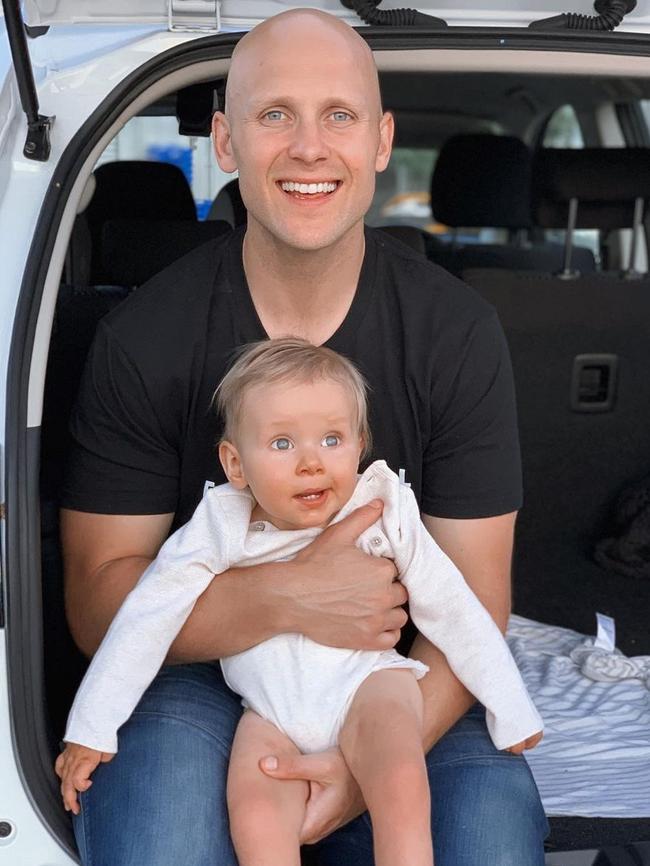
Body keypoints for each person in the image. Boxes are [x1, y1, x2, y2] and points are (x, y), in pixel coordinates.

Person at [59, 8, 549, 865]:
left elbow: (473, 605)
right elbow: (99, 606)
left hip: (397, 673)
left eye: (340, 115)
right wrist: (288, 595)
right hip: (198, 676)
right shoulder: (145, 336)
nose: (309, 147)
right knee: (161, 841)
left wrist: (364, 771)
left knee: (487, 842)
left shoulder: (454, 331)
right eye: (274, 114)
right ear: (224, 139)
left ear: (383, 139)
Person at [57, 339, 543, 866]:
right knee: (256, 817)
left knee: (401, 780)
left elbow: (454, 608)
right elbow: (145, 619)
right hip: (269, 710)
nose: (311, 463)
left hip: (370, 686)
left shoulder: (381, 507)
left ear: (360, 445)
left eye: (331, 439)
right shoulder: (220, 524)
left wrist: (510, 707)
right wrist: (92, 727)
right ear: (235, 463)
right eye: (283, 444)